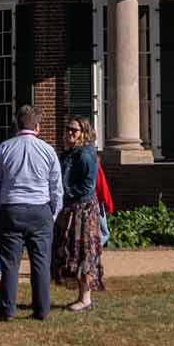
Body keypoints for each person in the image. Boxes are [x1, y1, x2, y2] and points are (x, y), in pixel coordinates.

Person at [0, 103, 62, 322]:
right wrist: (53, 213)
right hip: (40, 209)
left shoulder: (4, 148)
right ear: (37, 126)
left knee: (9, 263)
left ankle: (7, 309)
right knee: (41, 262)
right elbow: (56, 187)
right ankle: (42, 309)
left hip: (10, 208)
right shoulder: (47, 150)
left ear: (16, 125)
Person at [52, 115, 105, 312]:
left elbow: (87, 185)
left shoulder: (85, 155)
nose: (69, 133)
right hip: (71, 208)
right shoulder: (69, 154)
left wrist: (67, 193)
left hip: (83, 210)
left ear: (84, 133)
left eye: (74, 130)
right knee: (72, 252)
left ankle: (85, 299)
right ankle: (82, 297)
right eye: (67, 129)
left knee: (84, 253)